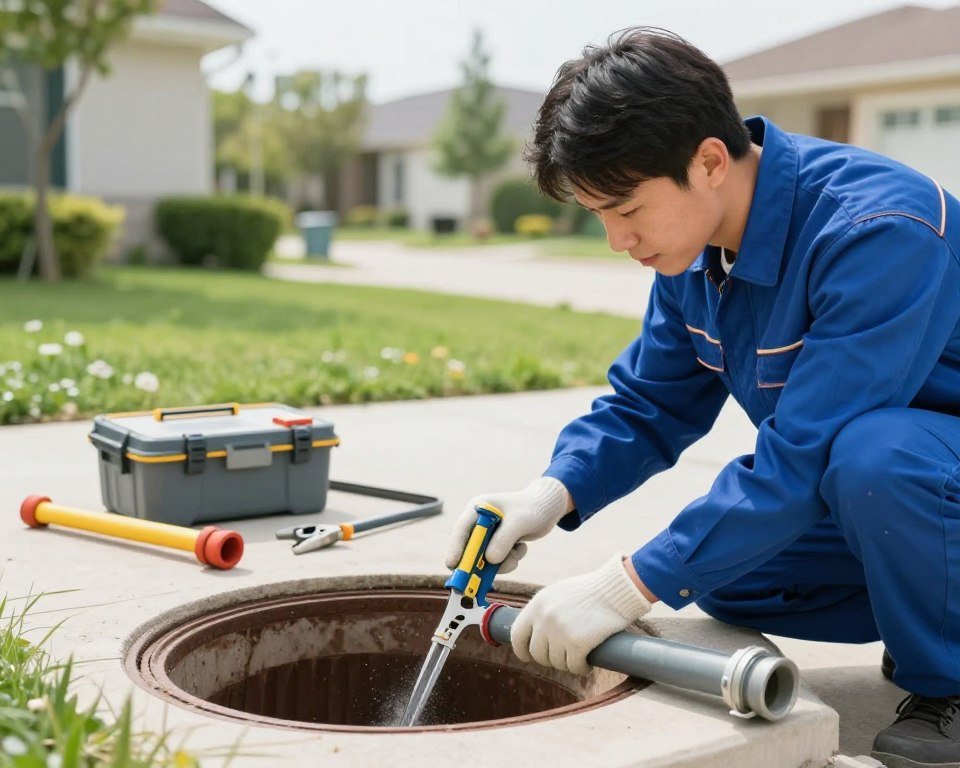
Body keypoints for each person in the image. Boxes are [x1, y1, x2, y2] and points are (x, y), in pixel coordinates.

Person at [446, 27, 960, 768]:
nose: (617, 241)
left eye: (625, 210)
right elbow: (647, 405)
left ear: (709, 161)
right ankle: (938, 614)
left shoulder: (880, 233)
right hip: (921, 496)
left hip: (916, 469)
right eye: (600, 218)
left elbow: (806, 453)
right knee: (730, 574)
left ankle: (950, 679)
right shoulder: (695, 247)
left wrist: (626, 586)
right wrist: (549, 494)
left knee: (871, 454)